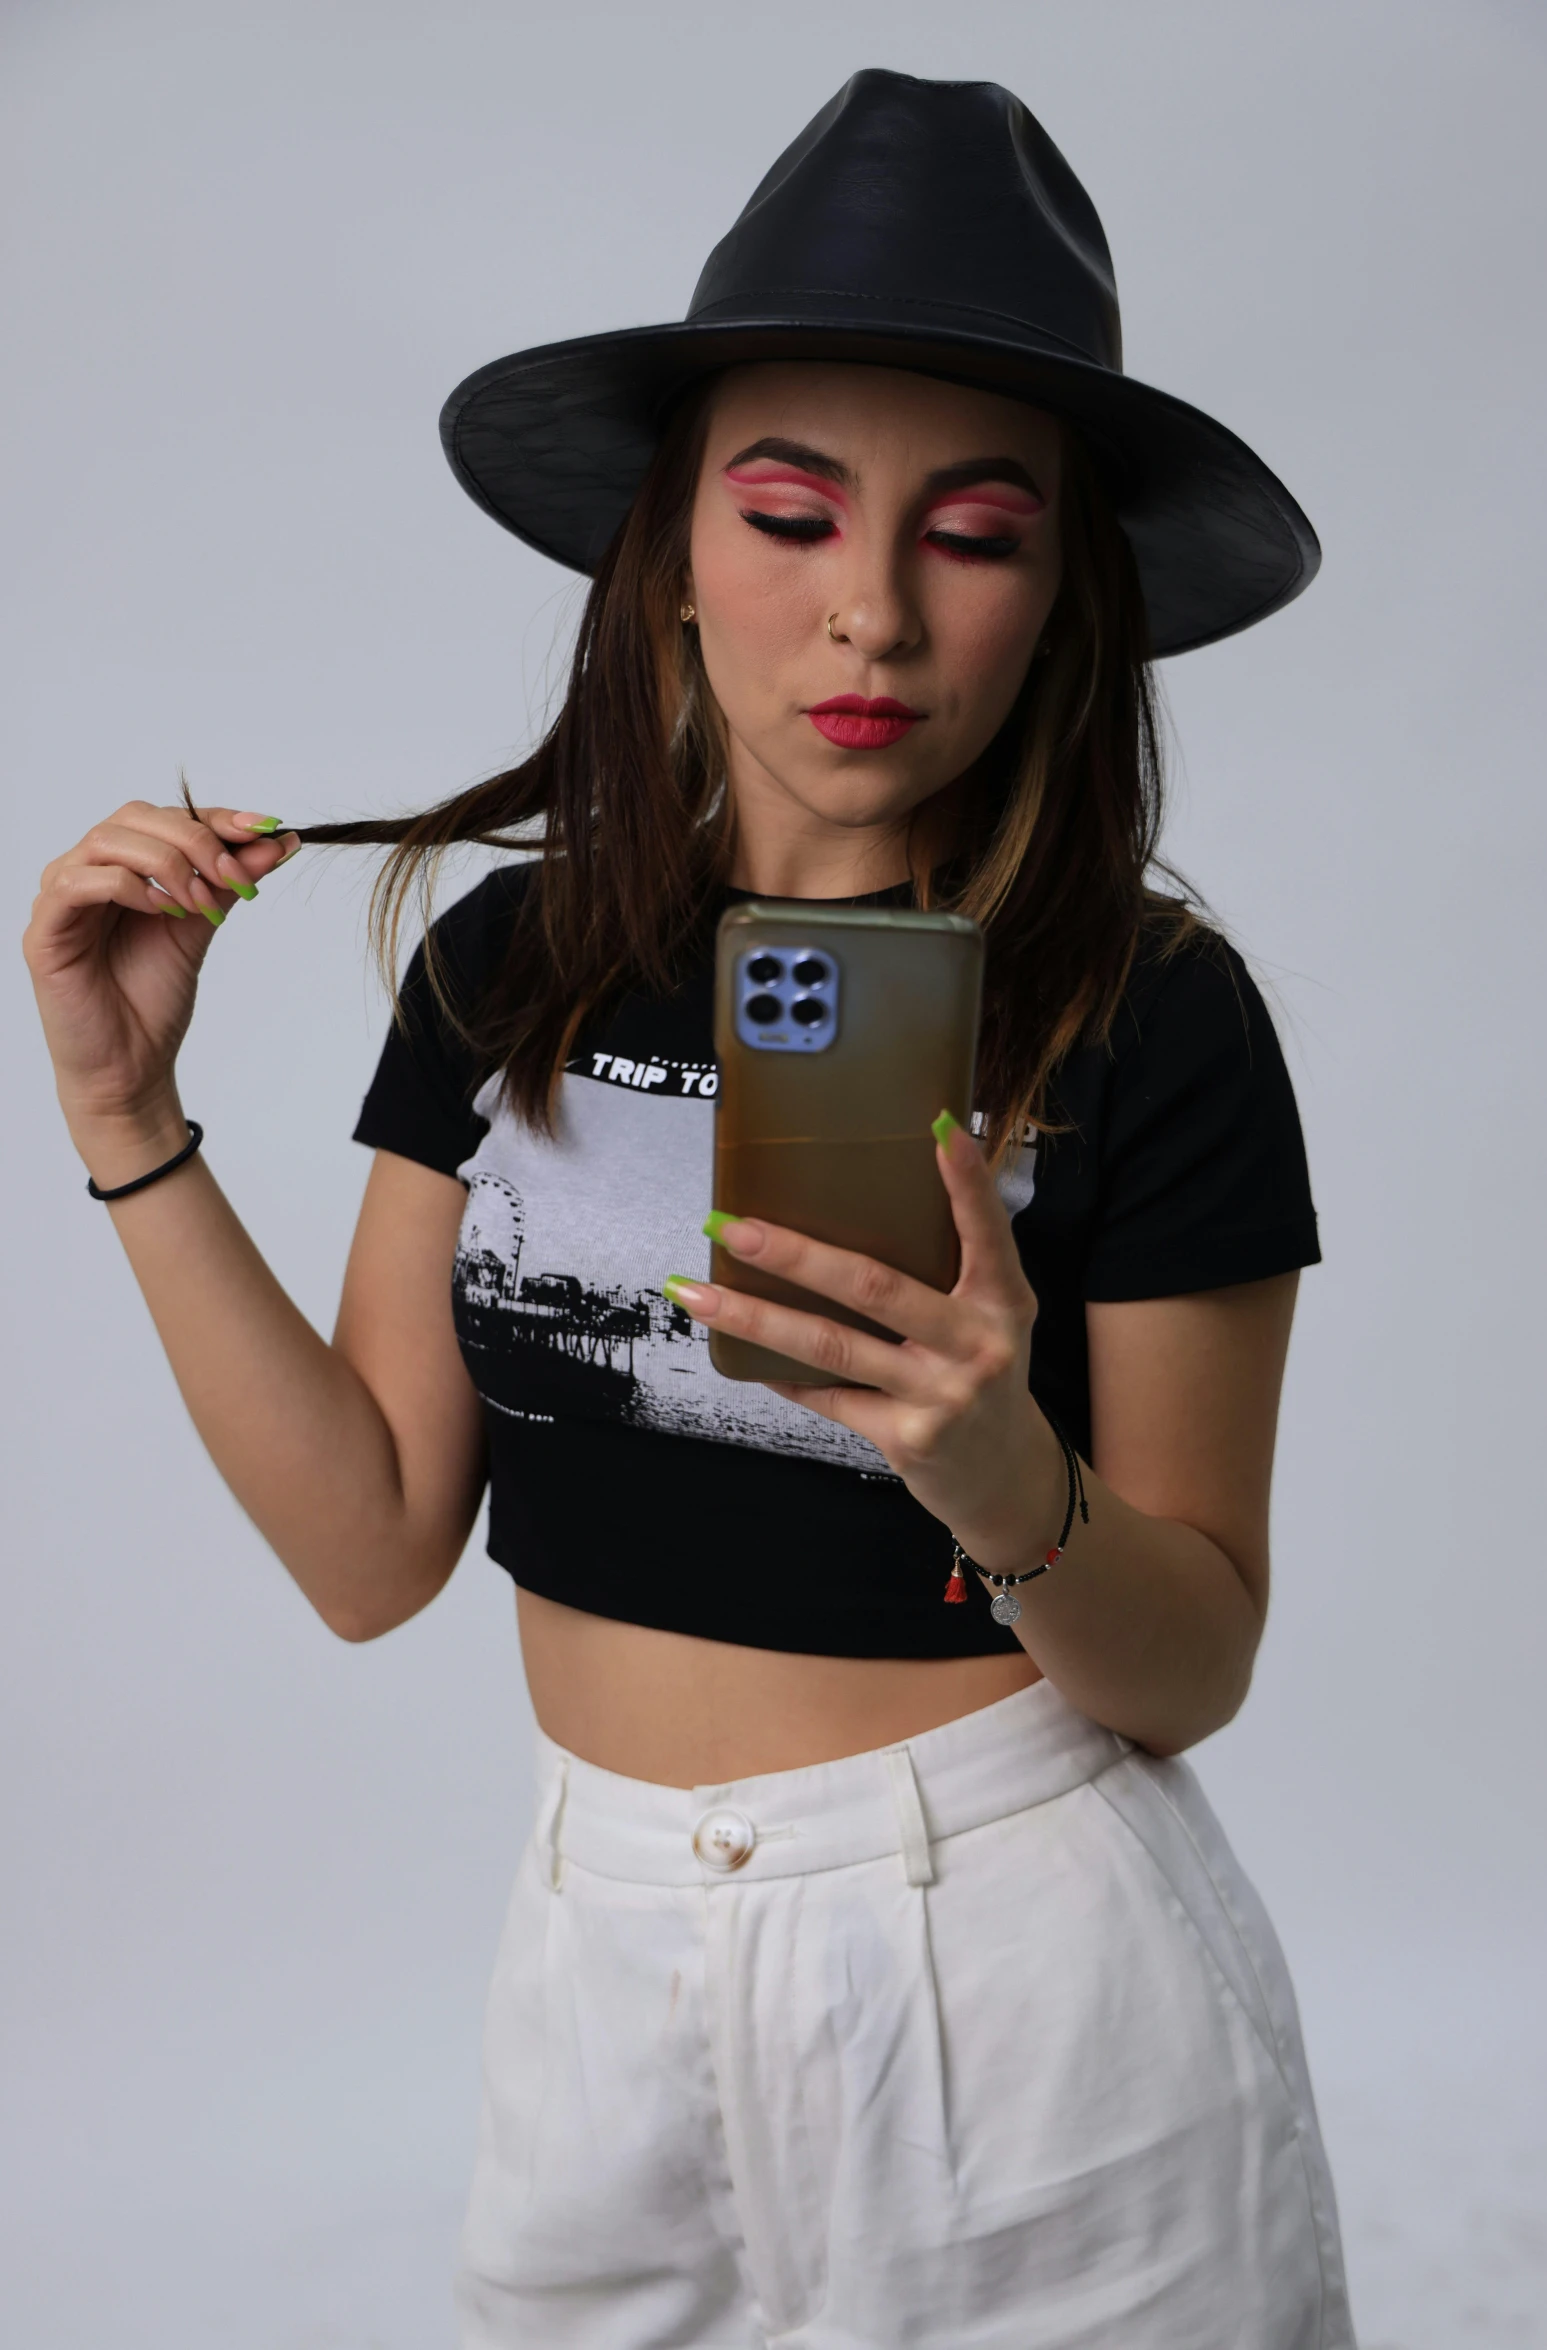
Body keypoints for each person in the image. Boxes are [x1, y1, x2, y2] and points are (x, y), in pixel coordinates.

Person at [23, 68, 1356, 2350]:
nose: (871, 610)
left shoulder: (1155, 1009)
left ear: (1062, 595)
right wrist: (125, 1112)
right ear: (668, 549)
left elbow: (1191, 1666)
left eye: (975, 528)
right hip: (596, 1948)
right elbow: (371, 1550)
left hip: (1026, 1965)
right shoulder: (498, 969)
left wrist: (995, 1462)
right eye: (790, 508)